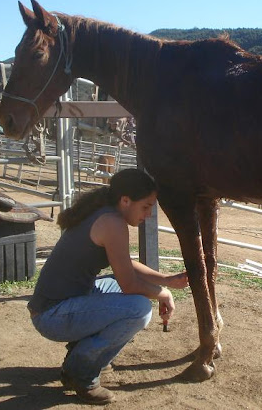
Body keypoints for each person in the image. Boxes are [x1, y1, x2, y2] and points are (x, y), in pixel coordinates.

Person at [27, 168, 188, 405]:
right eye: (146, 206)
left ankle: (78, 353)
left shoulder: (104, 213)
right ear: (125, 200)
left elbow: (124, 262)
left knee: (115, 287)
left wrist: (165, 279)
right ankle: (82, 373)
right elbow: (130, 283)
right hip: (52, 315)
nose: (150, 214)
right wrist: (162, 292)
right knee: (139, 309)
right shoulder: (112, 223)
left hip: (57, 305)